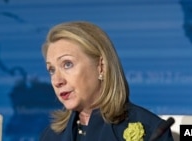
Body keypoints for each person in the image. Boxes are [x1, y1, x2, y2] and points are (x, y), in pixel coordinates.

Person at [39, 21, 174, 141]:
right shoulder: (51, 136)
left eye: (67, 64)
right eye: (51, 70)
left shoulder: (151, 131)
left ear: (101, 67)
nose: (57, 80)